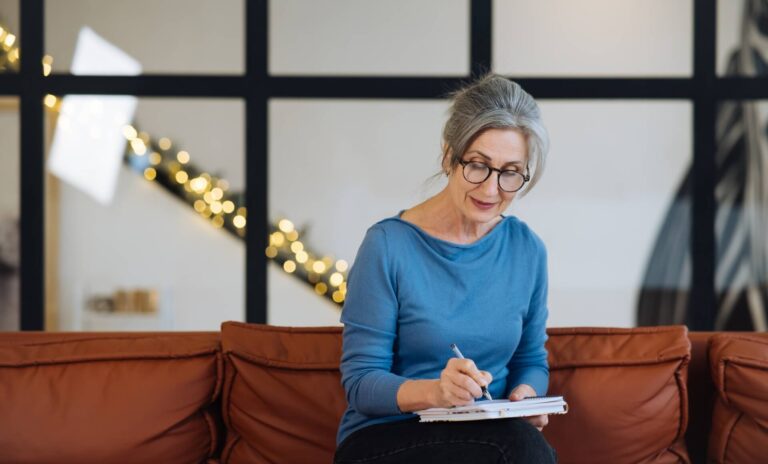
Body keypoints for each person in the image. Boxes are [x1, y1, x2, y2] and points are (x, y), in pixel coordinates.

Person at [334, 73, 557, 463]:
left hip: (488, 436)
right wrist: (437, 392)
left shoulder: (527, 250)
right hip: (387, 437)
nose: (491, 190)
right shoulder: (387, 245)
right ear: (448, 155)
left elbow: (531, 361)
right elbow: (361, 382)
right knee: (521, 450)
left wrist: (527, 395)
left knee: (519, 444)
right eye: (478, 165)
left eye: (510, 172)